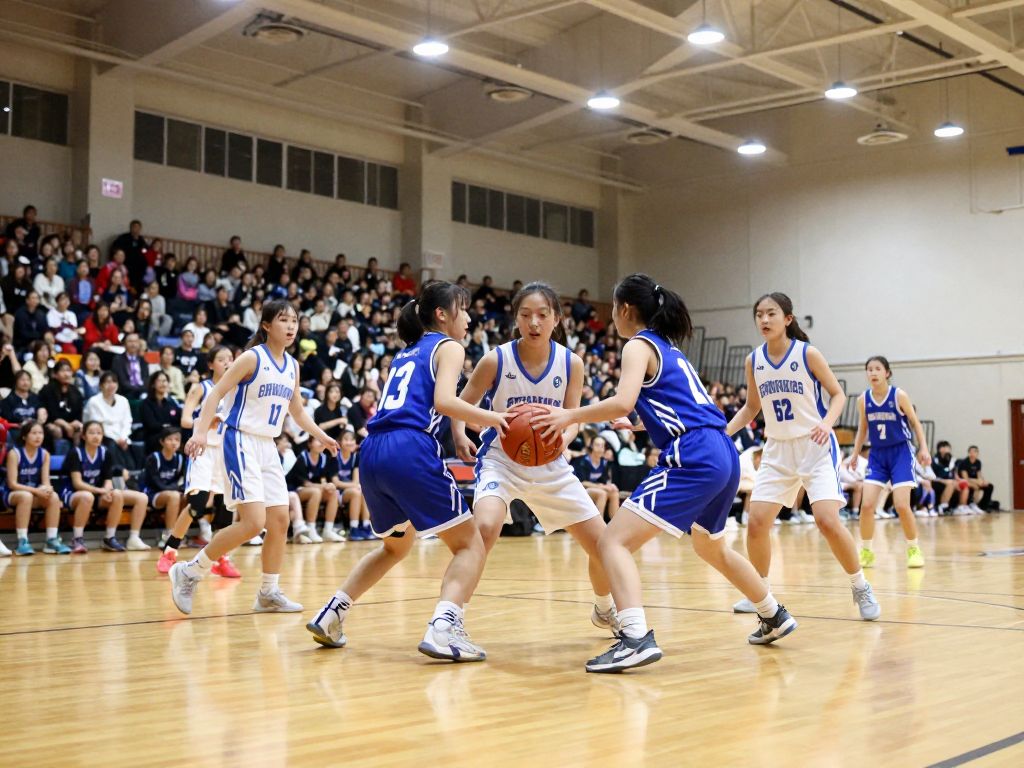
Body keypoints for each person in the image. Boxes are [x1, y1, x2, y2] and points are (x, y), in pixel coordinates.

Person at [535, 274, 795, 672]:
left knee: (611, 543)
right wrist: (642, 423)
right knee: (712, 547)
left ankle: (635, 638)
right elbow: (678, 403)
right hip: (720, 447)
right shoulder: (667, 348)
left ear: (624, 310)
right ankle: (772, 613)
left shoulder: (637, 345)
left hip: (694, 453)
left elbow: (622, 401)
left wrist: (571, 414)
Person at [305, 281, 508, 661]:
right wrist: (492, 418)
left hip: (374, 451)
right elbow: (445, 401)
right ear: (442, 315)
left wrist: (461, 431)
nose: (468, 317)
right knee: (470, 544)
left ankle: (333, 612)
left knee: (395, 546)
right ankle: (443, 630)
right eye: (462, 310)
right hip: (409, 448)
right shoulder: (449, 346)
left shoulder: (407, 352)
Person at [452, 282, 618, 634]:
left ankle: (605, 609)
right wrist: (457, 434)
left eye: (543, 314)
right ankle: (451, 617)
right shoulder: (496, 359)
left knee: (604, 545)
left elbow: (573, 418)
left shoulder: (571, 363)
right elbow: (460, 405)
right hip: (501, 460)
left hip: (552, 465)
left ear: (556, 318)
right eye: (526, 315)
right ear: (516, 319)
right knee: (483, 528)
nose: (534, 322)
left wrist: (561, 436)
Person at [173, 299, 339, 615]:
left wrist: (322, 436)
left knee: (279, 520)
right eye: (283, 320)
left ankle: (268, 592)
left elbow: (298, 412)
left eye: (294, 320)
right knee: (253, 523)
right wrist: (199, 432)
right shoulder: (252, 358)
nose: (291, 326)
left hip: (267, 445)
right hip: (240, 440)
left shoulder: (293, 366)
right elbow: (216, 393)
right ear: (266, 325)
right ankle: (190, 571)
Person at [725, 292, 880, 621]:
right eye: (759, 315)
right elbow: (752, 407)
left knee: (826, 520)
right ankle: (759, 592)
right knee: (755, 523)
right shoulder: (754, 360)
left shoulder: (807, 354)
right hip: (778, 449)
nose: (764, 320)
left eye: (771, 313)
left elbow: (838, 395)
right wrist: (724, 433)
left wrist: (826, 423)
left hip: (815, 445)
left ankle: (860, 585)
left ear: (788, 319)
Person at [157, 347, 238, 577]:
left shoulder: (236, 390)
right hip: (202, 450)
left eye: (230, 358)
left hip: (225, 452)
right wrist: (205, 419)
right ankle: (169, 551)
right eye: (221, 359)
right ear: (211, 364)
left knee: (225, 508)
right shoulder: (200, 388)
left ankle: (221, 558)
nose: (227, 362)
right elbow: (184, 419)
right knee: (197, 503)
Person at [848, 356, 931, 569]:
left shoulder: (898, 395)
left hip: (901, 453)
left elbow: (915, 423)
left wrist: (923, 448)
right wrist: (855, 454)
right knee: (866, 506)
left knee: (902, 505)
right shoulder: (863, 400)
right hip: (877, 455)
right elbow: (862, 429)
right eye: (869, 369)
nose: (873, 373)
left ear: (887, 373)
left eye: (877, 369)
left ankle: (913, 548)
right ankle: (866, 550)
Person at [62, 421, 149, 553]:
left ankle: (117, 538)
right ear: (84, 436)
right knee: (87, 497)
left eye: (99, 433)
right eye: (92, 432)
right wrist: (101, 491)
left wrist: (107, 492)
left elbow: (108, 479)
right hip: (74, 493)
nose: (96, 436)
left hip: (97, 493)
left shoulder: (105, 452)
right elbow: (77, 483)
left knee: (138, 497)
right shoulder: (76, 453)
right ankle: (77, 538)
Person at [4, 421, 70, 555]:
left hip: (34, 494)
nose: (38, 436)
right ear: (24, 436)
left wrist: (48, 489)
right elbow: (12, 484)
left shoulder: (44, 454)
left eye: (40, 433)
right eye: (33, 433)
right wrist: (37, 491)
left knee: (54, 497)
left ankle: (51, 540)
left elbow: (46, 482)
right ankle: (22, 541)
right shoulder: (14, 453)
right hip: (12, 494)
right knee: (25, 496)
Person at [287, 436, 341, 543]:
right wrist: (323, 486)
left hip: (313, 490)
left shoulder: (324, 458)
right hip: (293, 490)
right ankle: (311, 529)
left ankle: (328, 530)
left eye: (323, 442)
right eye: (318, 441)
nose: (321, 443)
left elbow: (326, 479)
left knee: (333, 493)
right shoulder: (302, 458)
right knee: (316, 492)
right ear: (310, 444)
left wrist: (329, 485)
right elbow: (305, 484)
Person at [145, 427, 184, 550]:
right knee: (174, 496)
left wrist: (177, 489)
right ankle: (168, 537)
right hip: (153, 494)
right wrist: (175, 489)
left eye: (177, 439)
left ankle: (181, 534)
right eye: (170, 439)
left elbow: (185, 483)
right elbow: (156, 483)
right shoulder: (154, 458)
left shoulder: (180, 458)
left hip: (172, 493)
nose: (174, 442)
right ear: (162, 441)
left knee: (189, 496)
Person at [572, 435, 620, 521]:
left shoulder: (604, 462)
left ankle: (616, 523)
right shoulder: (582, 461)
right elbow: (582, 482)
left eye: (602, 446)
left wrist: (610, 486)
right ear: (591, 446)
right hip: (580, 490)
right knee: (602, 493)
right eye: (597, 445)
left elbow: (604, 481)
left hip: (595, 488)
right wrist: (601, 487)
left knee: (614, 493)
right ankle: (599, 526)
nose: (600, 448)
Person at [331, 429, 368, 540]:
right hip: (337, 492)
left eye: (352, 440)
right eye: (346, 439)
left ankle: (366, 526)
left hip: (352, 489)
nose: (349, 442)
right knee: (356, 491)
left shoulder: (356, 457)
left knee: (364, 491)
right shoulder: (334, 456)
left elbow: (356, 480)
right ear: (340, 442)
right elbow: (335, 482)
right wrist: (354, 486)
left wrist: (355, 485)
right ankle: (353, 528)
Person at [38, 359, 84, 445]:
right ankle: (58, 457)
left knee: (80, 429)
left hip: (70, 424)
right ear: (55, 374)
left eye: (68, 370)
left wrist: (75, 422)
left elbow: (78, 414)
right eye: (62, 370)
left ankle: (76, 455)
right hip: (51, 424)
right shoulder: (47, 390)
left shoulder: (76, 392)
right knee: (56, 430)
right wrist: (65, 425)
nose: (66, 374)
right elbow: (51, 414)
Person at [140, 371, 182, 452]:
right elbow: (152, 425)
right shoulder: (146, 403)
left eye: (165, 380)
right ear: (153, 384)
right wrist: (167, 427)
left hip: (172, 434)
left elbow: (178, 420)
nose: (163, 384)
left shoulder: (172, 402)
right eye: (160, 381)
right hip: (155, 437)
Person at [956, 446, 994, 513]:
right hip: (964, 481)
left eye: (975, 452)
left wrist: (983, 481)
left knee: (989, 486)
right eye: (971, 452)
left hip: (974, 481)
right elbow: (965, 478)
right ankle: (973, 504)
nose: (973, 453)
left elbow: (979, 474)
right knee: (976, 487)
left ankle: (983, 506)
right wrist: (977, 481)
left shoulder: (978, 462)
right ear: (968, 453)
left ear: (978, 453)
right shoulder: (964, 462)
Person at [111, 333, 147, 399]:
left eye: (135, 341)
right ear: (124, 344)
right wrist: (137, 389)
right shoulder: (118, 359)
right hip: (126, 393)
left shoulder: (142, 360)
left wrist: (142, 389)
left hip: (142, 391)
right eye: (130, 341)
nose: (133, 344)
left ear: (139, 344)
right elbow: (122, 381)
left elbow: (146, 379)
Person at [929, 441, 959, 514]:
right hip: (936, 481)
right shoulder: (934, 460)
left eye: (949, 448)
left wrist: (959, 480)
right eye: (946, 447)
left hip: (949, 481)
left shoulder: (952, 460)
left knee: (960, 485)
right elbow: (931, 476)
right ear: (940, 449)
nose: (948, 449)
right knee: (951, 484)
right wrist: (944, 481)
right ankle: (942, 506)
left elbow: (954, 474)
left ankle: (959, 507)